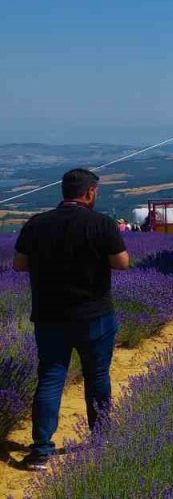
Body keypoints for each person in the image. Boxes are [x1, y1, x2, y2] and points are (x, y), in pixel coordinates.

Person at [12, 169, 130, 471]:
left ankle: (40, 451)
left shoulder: (36, 223)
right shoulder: (102, 224)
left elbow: (19, 264)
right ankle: (101, 440)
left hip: (50, 316)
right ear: (90, 192)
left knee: (51, 379)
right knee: (97, 378)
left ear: (64, 191)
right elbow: (122, 263)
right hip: (94, 316)